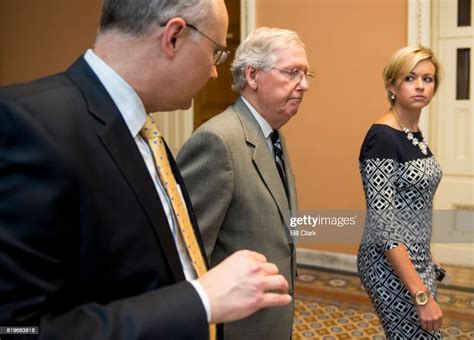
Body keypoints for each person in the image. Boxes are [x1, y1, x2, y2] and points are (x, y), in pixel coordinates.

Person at [0, 1, 292, 339]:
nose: (214, 71)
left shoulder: (144, 131)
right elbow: (16, 328)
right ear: (174, 37)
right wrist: (199, 301)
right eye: (216, 52)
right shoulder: (26, 125)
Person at [177, 27, 312, 340]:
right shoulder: (218, 142)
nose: (304, 85)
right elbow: (187, 259)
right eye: (292, 72)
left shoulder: (272, 134)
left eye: (306, 74)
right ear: (252, 75)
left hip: (269, 320)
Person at [357, 46, 443, 339]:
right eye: (410, 78)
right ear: (392, 85)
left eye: (427, 79)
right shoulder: (382, 138)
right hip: (387, 263)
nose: (420, 86)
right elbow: (385, 226)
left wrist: (424, 254)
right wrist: (420, 294)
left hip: (414, 256)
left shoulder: (411, 132)